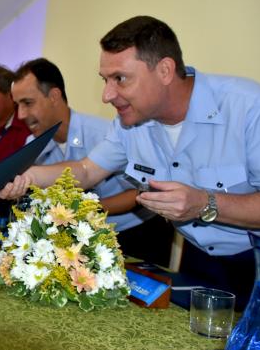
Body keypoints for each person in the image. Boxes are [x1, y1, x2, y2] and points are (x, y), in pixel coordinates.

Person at [0, 15, 260, 310]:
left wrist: (205, 203)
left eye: (120, 79)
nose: (107, 95)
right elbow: (86, 170)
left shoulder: (250, 108)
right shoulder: (130, 124)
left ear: (165, 70)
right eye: (105, 80)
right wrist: (25, 176)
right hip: (198, 259)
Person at [11, 58, 175, 266]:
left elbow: (145, 191)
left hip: (135, 234)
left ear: (54, 96)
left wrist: (84, 210)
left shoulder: (106, 134)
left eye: (28, 103)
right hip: (80, 238)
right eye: (17, 105)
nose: (21, 115)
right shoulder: (32, 146)